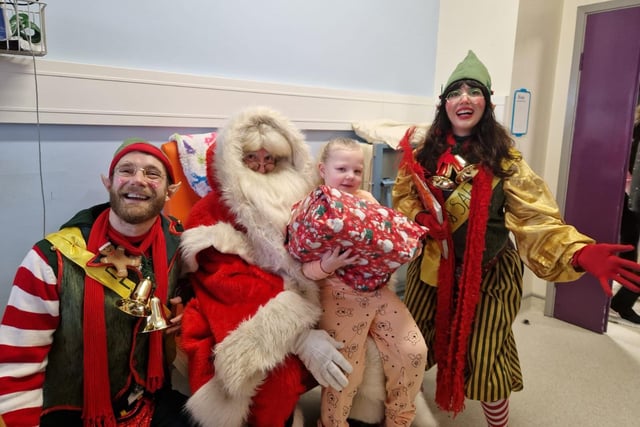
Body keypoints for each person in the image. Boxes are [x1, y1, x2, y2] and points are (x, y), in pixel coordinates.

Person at [392, 50, 640, 427]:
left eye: (473, 91)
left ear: (486, 103)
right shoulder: (422, 152)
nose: (464, 98)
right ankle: (400, 410)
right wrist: (420, 216)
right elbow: (404, 197)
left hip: (489, 273)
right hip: (432, 267)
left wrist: (579, 253)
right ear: (444, 103)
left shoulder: (505, 160)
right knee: (410, 344)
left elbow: (537, 218)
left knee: (486, 355)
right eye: (455, 91)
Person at [179, 107, 357, 427]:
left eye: (270, 159)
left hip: (308, 293)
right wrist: (299, 334)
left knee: (357, 342)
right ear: (232, 160)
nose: (262, 168)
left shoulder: (304, 202)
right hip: (239, 308)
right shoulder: (209, 211)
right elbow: (225, 283)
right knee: (278, 380)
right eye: (251, 159)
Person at [0, 139, 194, 427]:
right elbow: (17, 365)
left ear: (170, 192)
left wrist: (188, 311)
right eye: (126, 171)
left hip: (149, 401)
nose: (138, 180)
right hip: (71, 414)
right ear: (109, 183)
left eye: (152, 174)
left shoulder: (181, 245)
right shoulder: (50, 259)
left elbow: (207, 294)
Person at [297, 138, 428, 427]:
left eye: (357, 171)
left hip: (377, 289)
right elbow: (300, 269)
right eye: (342, 168)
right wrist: (326, 266)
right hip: (337, 292)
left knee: (413, 350)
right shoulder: (312, 206)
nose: (350, 177)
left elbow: (389, 238)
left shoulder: (367, 201)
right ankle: (332, 423)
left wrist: (402, 247)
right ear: (323, 169)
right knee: (346, 369)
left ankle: (399, 420)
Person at [611, 104, 640, 323]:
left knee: (628, 250)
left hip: (628, 196)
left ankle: (622, 300)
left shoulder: (632, 127)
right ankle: (622, 302)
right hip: (632, 198)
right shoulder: (635, 130)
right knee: (628, 250)